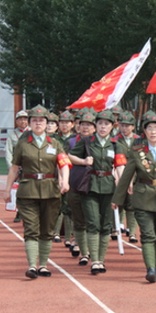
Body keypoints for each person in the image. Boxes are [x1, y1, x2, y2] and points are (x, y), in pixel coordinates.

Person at [112, 113, 156, 283]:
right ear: (144, 131)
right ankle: (150, 268)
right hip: (143, 197)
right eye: (149, 128)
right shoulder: (136, 152)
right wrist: (117, 199)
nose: (153, 132)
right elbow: (126, 177)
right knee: (148, 235)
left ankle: (155, 266)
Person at [3, 104, 71, 279]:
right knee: (31, 229)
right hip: (28, 190)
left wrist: (65, 180)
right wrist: (7, 189)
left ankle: (43, 265)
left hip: (50, 190)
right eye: (35, 121)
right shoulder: (22, 144)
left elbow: (63, 163)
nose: (38, 123)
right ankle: (32, 265)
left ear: (47, 123)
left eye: (42, 121)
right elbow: (14, 168)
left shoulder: (55, 143)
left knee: (47, 230)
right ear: (30, 124)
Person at [69, 109, 126, 275]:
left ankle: (101, 259)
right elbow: (70, 156)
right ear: (96, 126)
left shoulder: (116, 145)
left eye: (106, 124)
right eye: (100, 123)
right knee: (93, 222)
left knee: (106, 225)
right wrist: (83, 161)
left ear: (112, 126)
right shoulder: (87, 141)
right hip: (90, 186)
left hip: (109, 186)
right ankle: (95, 260)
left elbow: (120, 166)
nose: (103, 127)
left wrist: (122, 187)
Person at [65, 111, 96, 264]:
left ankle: (92, 251)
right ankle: (84, 251)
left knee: (93, 220)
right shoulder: (71, 141)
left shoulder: (100, 143)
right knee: (78, 219)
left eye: (89, 125)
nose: (85, 127)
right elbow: (64, 159)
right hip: (76, 183)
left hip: (94, 185)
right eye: (83, 124)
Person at [113, 111, 141, 243]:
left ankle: (132, 232)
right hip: (118, 175)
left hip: (135, 176)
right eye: (122, 125)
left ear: (133, 126)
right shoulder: (114, 140)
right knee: (118, 203)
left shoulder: (139, 139)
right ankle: (116, 228)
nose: (124, 128)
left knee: (132, 205)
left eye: (127, 125)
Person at [52, 110, 76, 243]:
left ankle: (68, 236)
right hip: (55, 174)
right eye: (62, 122)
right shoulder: (54, 139)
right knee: (57, 204)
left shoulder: (75, 139)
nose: (64, 125)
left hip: (73, 174)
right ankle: (55, 233)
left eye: (67, 122)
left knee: (69, 205)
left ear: (72, 124)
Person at [5, 110, 30, 223]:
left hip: (29, 166)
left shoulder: (32, 132)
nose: (23, 121)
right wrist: (10, 167)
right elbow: (8, 151)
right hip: (17, 166)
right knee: (17, 190)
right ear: (16, 121)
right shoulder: (12, 135)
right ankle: (18, 212)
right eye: (20, 119)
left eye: (25, 119)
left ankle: (27, 212)